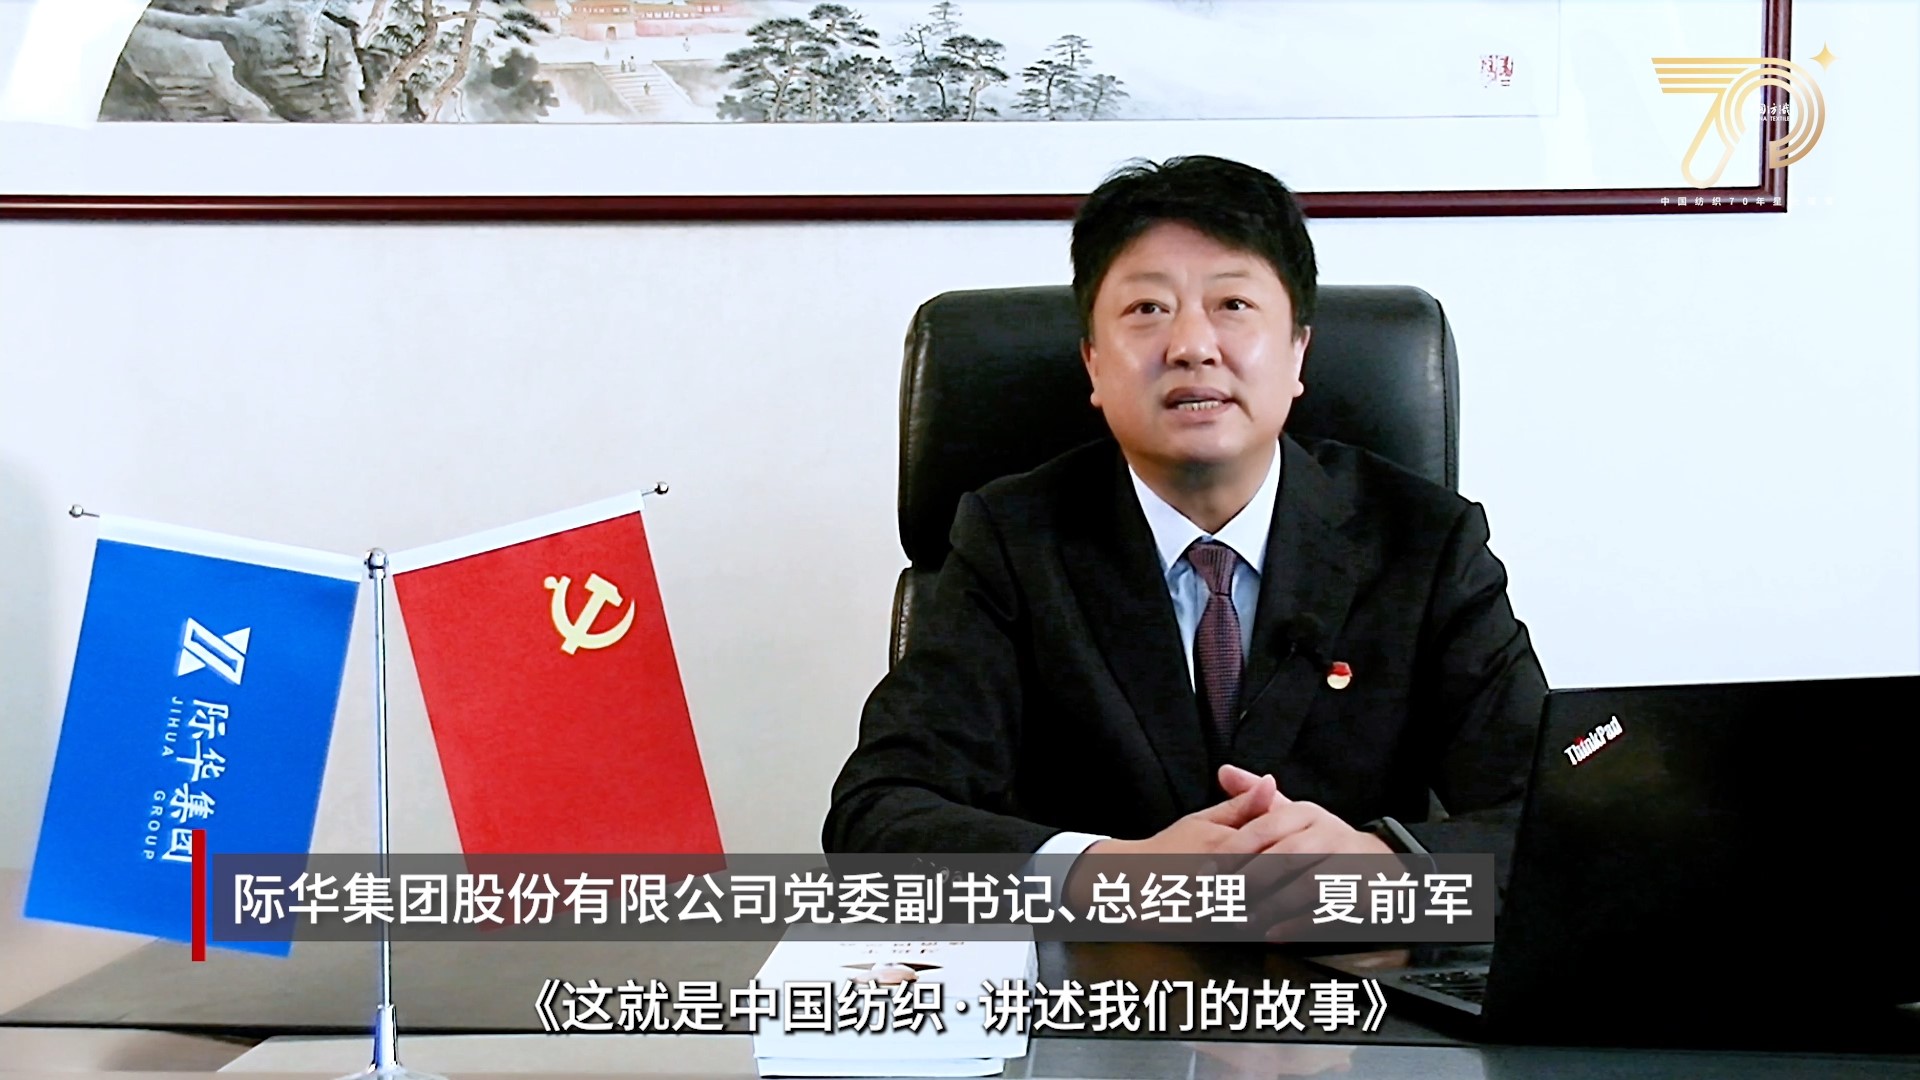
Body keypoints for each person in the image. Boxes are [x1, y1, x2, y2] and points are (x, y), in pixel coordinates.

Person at [823, 156, 1546, 869]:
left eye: (1233, 305)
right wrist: (1105, 871)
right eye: (1148, 310)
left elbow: (1552, 817)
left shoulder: (1426, 541)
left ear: (1298, 352)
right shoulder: (1014, 541)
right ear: (1093, 364)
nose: (1192, 346)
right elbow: (877, 815)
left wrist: (1378, 860)